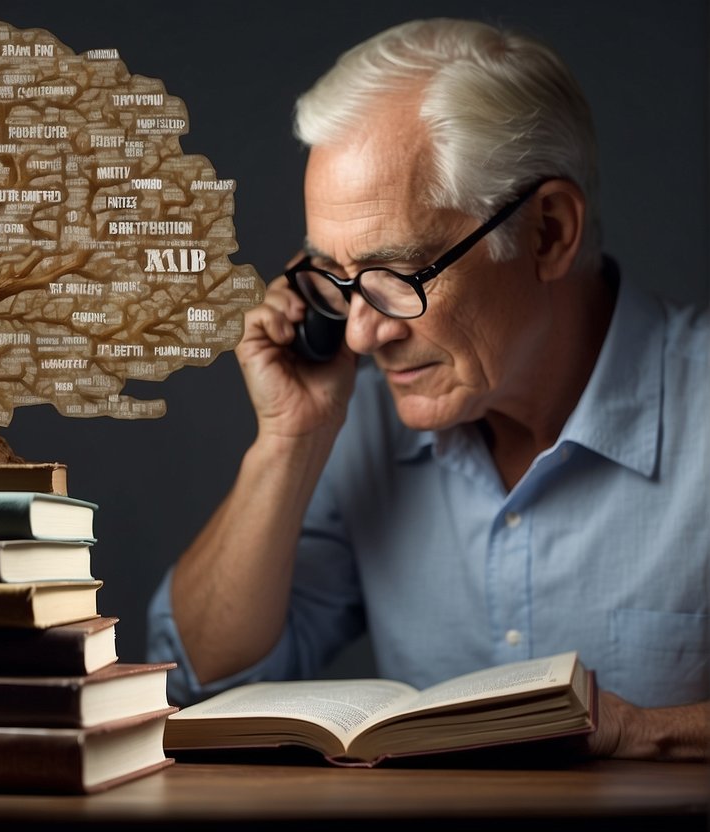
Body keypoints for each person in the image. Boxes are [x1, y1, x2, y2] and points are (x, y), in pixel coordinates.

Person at [147, 18, 707, 761]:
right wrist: (291, 440)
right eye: (335, 279)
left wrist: (643, 731)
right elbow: (192, 679)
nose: (357, 335)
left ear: (546, 232)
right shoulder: (362, 423)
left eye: (397, 276)